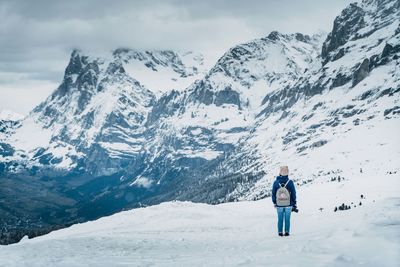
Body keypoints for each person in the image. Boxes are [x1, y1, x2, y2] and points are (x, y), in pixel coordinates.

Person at [272, 166, 297, 236]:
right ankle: (287, 232)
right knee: (287, 219)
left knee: (280, 219)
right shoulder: (290, 182)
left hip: (279, 204)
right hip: (288, 204)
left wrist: (274, 202)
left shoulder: (276, 182)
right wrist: (294, 203)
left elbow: (273, 193)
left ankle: (280, 232)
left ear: (280, 173)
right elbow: (293, 194)